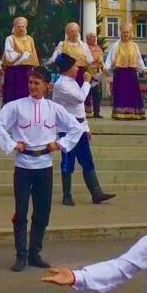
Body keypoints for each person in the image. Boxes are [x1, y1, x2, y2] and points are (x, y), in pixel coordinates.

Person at [0, 66, 85, 272]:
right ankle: (21, 255)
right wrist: (12, 144)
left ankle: (35, 253)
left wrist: (60, 144)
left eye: (37, 83)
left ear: (46, 86)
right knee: (21, 212)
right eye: (30, 82)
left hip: (45, 165)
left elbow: (76, 127)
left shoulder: (54, 108)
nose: (32, 86)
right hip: (23, 166)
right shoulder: (16, 106)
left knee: (42, 212)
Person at [51, 54, 115, 206]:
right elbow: (80, 98)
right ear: (67, 69)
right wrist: (86, 81)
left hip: (79, 126)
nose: (77, 68)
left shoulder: (72, 82)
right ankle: (67, 195)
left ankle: (96, 193)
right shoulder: (61, 84)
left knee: (87, 160)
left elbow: (80, 108)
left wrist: (97, 74)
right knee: (68, 161)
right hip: (67, 128)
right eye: (74, 66)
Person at [105, 23, 147, 120]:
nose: (125, 34)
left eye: (127, 32)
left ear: (130, 33)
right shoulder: (116, 45)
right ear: (121, 33)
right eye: (124, 32)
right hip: (120, 73)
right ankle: (120, 114)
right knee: (121, 93)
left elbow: (139, 58)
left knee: (133, 93)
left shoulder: (134, 46)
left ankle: (134, 113)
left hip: (131, 73)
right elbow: (109, 58)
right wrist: (106, 68)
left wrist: (143, 69)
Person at [1, 17, 39, 104]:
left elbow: (33, 53)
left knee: (26, 90)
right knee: (12, 91)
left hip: (27, 70)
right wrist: (21, 55)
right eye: (18, 26)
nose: (21, 28)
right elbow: (8, 53)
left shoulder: (30, 39)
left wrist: (32, 64)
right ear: (14, 27)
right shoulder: (10, 38)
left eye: (23, 26)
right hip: (14, 70)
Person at [84, 31, 106, 118]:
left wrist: (102, 66)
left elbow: (102, 59)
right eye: (92, 37)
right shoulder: (84, 47)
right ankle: (86, 111)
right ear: (87, 39)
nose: (94, 39)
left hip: (97, 73)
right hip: (87, 73)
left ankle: (97, 112)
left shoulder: (98, 48)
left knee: (97, 94)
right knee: (86, 93)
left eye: (95, 37)